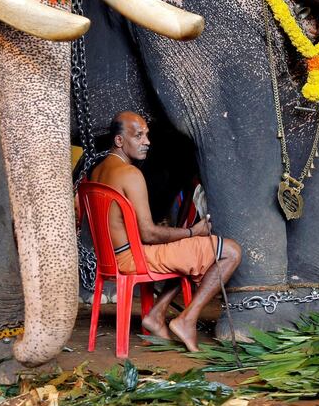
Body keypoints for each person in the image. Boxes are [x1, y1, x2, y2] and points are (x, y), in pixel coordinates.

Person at [90, 111, 242, 352]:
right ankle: (186, 319)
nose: (147, 142)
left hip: (112, 257)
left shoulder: (98, 170)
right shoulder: (130, 174)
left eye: (147, 135)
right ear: (119, 141)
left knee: (181, 254)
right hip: (132, 259)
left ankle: (156, 315)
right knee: (231, 251)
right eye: (138, 136)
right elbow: (148, 234)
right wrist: (193, 232)